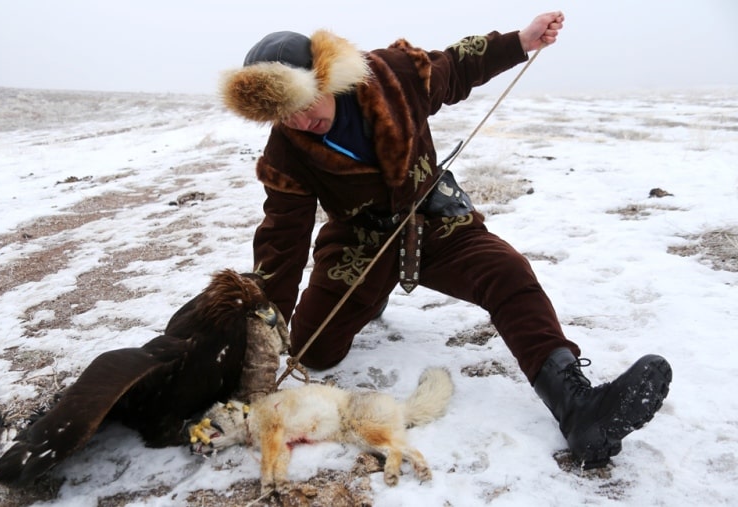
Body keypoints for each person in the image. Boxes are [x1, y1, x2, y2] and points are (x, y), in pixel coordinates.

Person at [218, 12, 672, 468]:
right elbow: (283, 239)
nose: (299, 119)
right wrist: (261, 332)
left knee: (507, 271)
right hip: (359, 245)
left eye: (303, 101)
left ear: (326, 77)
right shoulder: (284, 152)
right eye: (282, 114)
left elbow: (457, 65)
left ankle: (578, 408)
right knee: (313, 350)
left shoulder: (394, 75)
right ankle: (370, 298)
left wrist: (520, 41)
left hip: (432, 220)